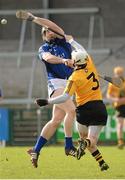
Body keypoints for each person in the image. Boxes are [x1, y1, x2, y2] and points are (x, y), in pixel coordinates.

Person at [36, 43, 109, 171]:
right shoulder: (91, 65)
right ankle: (100, 161)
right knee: (91, 140)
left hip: (83, 111)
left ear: (74, 62)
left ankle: (100, 161)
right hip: (99, 108)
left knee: (86, 140)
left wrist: (48, 101)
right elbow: (82, 50)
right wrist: (73, 41)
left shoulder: (73, 78)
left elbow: (65, 97)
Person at [17, 12, 77, 168]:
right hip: (55, 84)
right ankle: (68, 146)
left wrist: (35, 19)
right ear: (43, 35)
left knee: (56, 121)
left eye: (50, 30)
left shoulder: (64, 42)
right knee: (71, 111)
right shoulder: (43, 48)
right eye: (46, 31)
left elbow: (53, 25)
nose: (49, 32)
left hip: (69, 83)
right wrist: (64, 60)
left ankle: (35, 150)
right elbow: (48, 58)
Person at [106, 66, 125, 149]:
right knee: (120, 123)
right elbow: (108, 95)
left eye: (120, 73)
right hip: (118, 105)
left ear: (122, 73)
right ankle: (120, 141)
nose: (118, 75)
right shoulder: (112, 83)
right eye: (117, 74)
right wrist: (115, 99)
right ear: (115, 74)